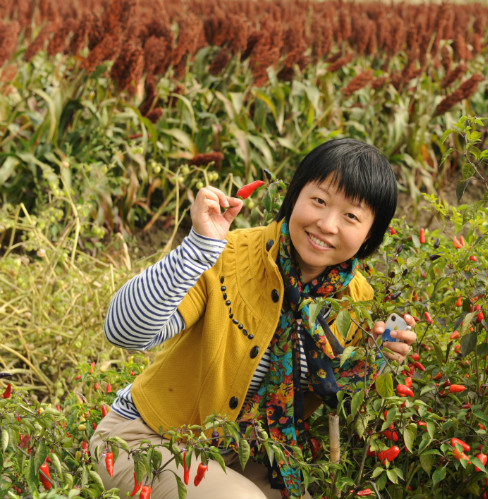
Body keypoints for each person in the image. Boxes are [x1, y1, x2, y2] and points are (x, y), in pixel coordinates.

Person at [90, 138, 417, 499]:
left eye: (351, 216)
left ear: (371, 234)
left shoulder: (354, 299)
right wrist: (197, 248)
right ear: (294, 198)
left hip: (239, 458)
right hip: (145, 439)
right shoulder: (227, 254)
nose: (327, 224)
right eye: (319, 201)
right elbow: (123, 331)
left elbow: (331, 392)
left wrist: (374, 364)